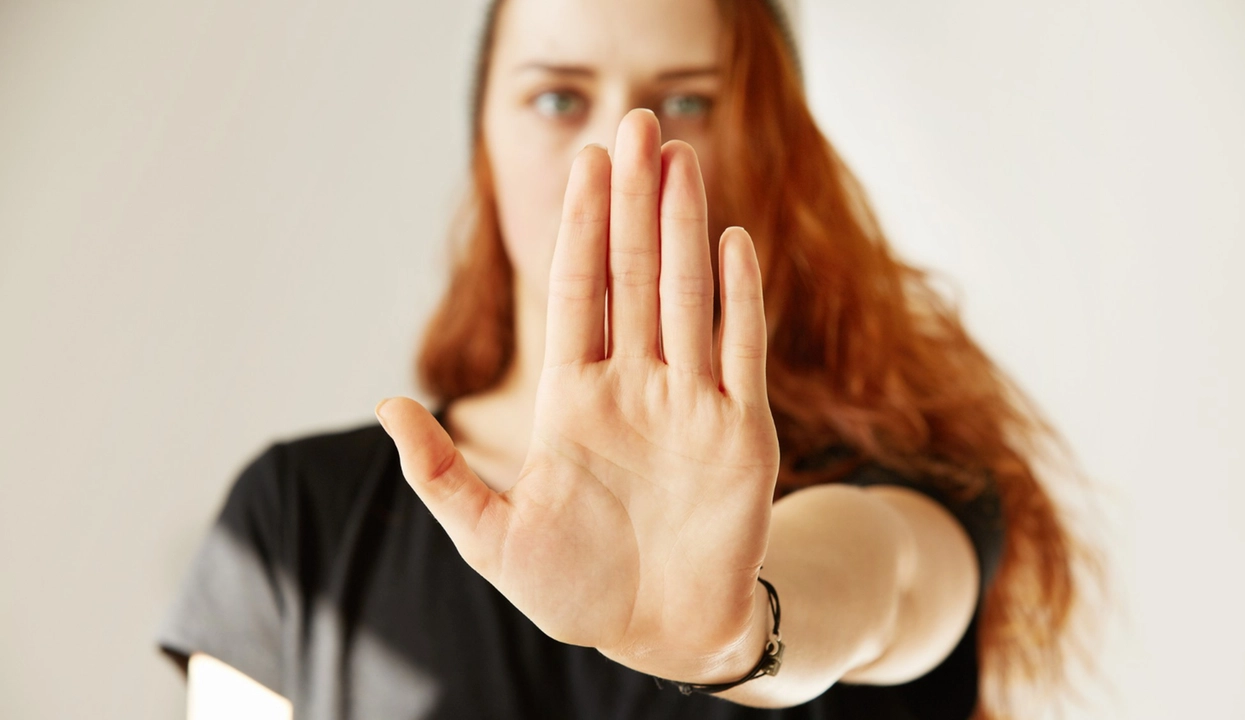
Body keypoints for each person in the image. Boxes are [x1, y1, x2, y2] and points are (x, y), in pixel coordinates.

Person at [157, 1, 1091, 718]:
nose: (618, 145)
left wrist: (736, 632)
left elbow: (883, 582)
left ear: (773, 143)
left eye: (689, 99)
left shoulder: (908, 485)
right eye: (557, 97)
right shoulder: (293, 526)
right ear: (483, 136)